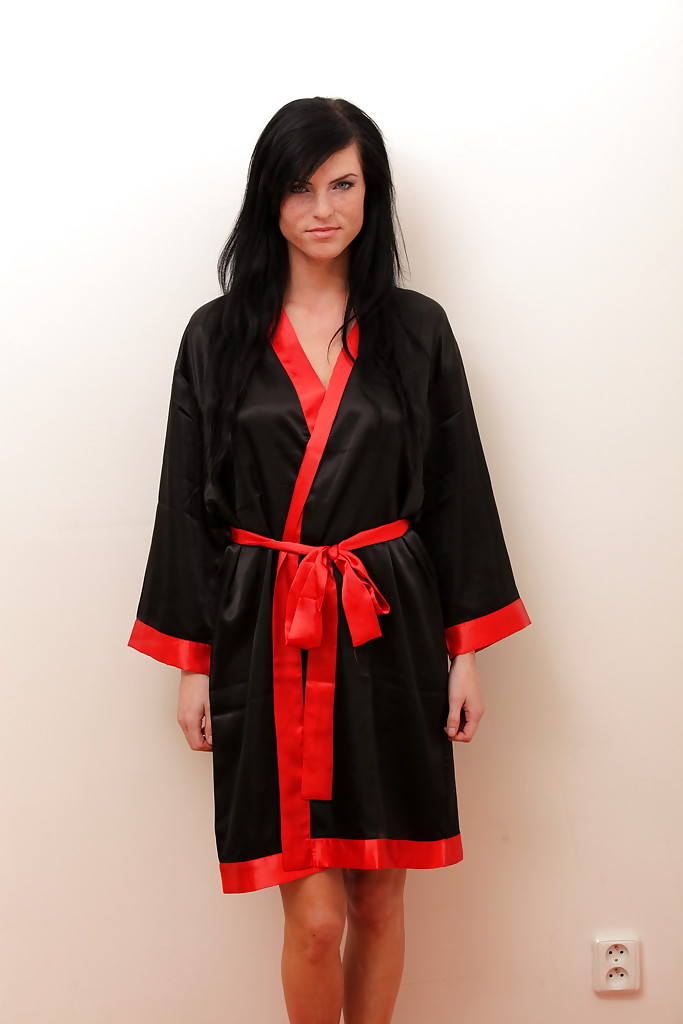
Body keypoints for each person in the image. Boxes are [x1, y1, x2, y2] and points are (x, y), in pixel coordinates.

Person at [127, 96, 531, 1024]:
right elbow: (185, 504)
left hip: (389, 625)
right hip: (267, 633)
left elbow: (457, 491)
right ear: (267, 197)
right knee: (314, 919)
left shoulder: (416, 329)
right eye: (299, 186)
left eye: (342, 185)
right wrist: (193, 665)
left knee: (379, 897)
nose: (321, 208)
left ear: (371, 194)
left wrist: (465, 653)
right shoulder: (217, 335)